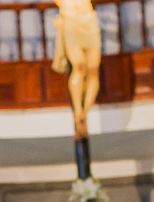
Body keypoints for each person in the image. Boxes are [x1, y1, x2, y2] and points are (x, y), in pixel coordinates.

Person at [51, 0, 101, 140]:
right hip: (71, 18)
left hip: (88, 17)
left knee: (93, 69)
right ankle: (78, 113)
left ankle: (83, 115)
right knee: (79, 66)